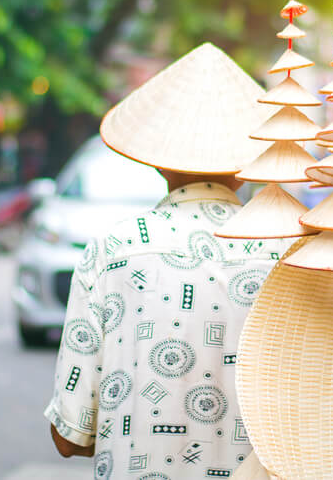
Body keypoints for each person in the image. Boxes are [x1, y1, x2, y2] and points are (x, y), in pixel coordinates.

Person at [45, 43, 287, 479]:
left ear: (158, 162)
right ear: (248, 163)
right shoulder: (285, 253)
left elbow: (69, 435)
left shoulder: (113, 251)